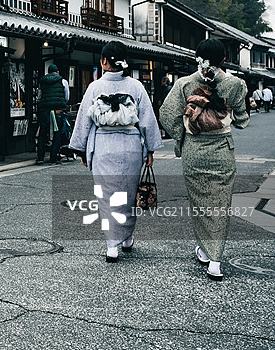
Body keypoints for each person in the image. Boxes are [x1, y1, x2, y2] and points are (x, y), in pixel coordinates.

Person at [159, 38, 248, 282]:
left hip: (194, 151)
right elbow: (241, 120)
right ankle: (215, 260)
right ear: (224, 60)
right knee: (220, 204)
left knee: (199, 203)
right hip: (221, 150)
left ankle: (206, 250)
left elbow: (166, 114)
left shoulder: (184, 83)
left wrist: (182, 137)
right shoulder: (235, 84)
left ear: (196, 58)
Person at [67, 41, 163, 263]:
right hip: (130, 147)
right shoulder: (136, 87)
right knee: (128, 195)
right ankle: (127, 237)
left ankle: (112, 245)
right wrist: (150, 150)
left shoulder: (94, 88)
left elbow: (84, 121)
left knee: (107, 196)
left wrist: (81, 149)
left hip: (103, 146)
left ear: (103, 61)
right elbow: (147, 120)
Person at [36, 64, 68, 165]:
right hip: (57, 110)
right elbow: (66, 97)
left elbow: (39, 96)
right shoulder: (63, 81)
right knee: (57, 134)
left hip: (45, 110)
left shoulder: (42, 81)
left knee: (42, 133)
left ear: (48, 72)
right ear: (57, 72)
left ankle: (40, 158)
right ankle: (53, 158)